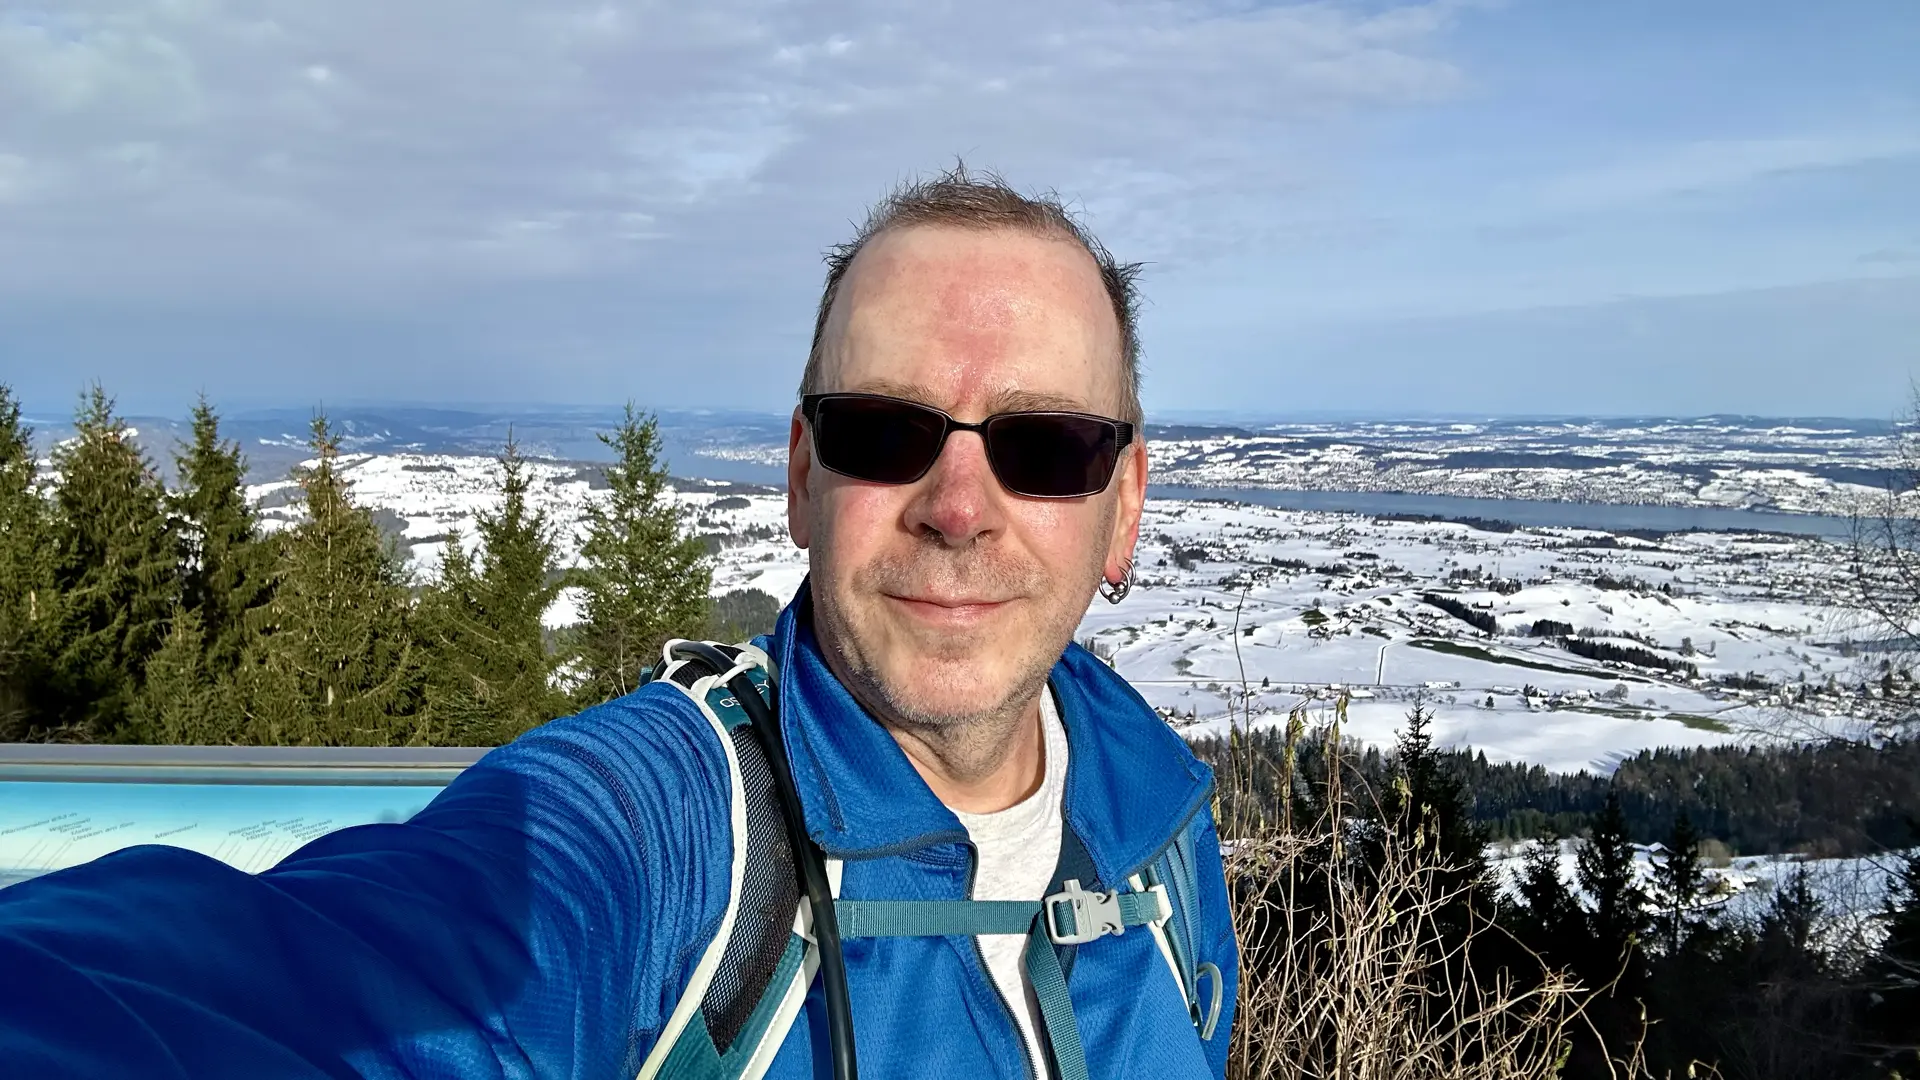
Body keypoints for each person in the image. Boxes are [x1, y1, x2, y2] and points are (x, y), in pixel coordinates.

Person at [0, 166, 1238, 1079]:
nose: (959, 509)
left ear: (1122, 508)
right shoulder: (673, 835)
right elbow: (315, 992)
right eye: (884, 433)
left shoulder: (1160, 828)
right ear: (804, 477)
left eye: (1047, 447)